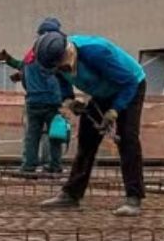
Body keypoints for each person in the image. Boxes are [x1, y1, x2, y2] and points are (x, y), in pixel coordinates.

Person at [34, 29, 146, 215]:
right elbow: (61, 80)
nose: (59, 70)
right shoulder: (54, 62)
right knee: (87, 139)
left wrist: (115, 110)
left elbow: (129, 82)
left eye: (60, 66)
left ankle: (133, 198)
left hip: (129, 87)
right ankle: (71, 195)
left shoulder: (95, 53)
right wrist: (69, 100)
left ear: (67, 53)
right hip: (102, 92)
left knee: (127, 139)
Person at [0, 17, 75, 176]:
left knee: (32, 136)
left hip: (34, 101)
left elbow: (24, 67)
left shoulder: (31, 55)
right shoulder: (52, 54)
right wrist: (69, 97)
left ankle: (29, 166)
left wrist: (9, 61)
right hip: (52, 100)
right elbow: (61, 75)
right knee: (55, 135)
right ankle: (55, 165)